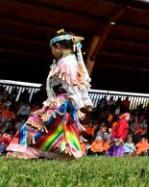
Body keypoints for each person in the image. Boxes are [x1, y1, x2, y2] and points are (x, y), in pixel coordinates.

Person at [6, 31, 94, 160]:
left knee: (34, 124)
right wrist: (84, 102)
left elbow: (73, 86)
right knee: (59, 130)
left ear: (58, 47)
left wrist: (80, 105)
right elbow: (80, 84)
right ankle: (60, 154)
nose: (52, 51)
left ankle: (23, 151)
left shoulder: (66, 62)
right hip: (62, 103)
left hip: (62, 103)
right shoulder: (70, 61)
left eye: (52, 48)